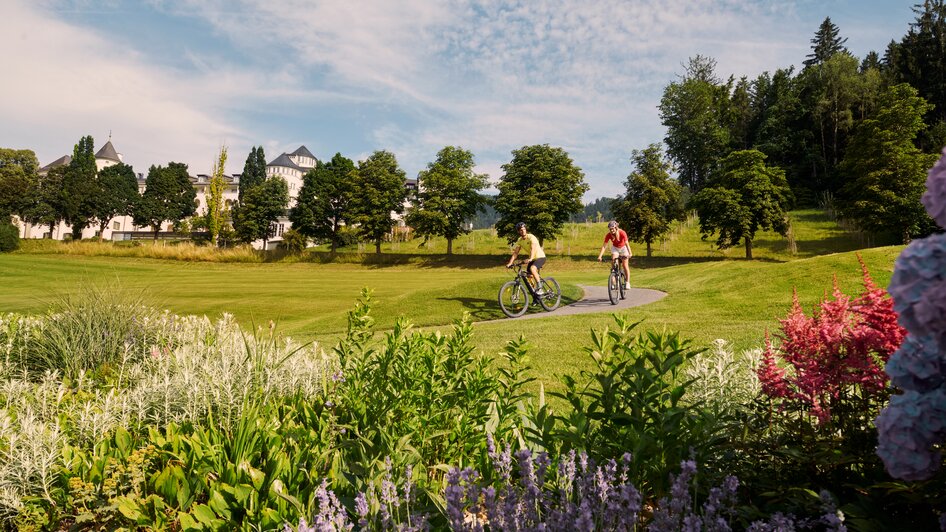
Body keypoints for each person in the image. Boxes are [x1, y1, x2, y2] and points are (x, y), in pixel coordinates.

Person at [506, 222, 547, 293]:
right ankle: (535, 294)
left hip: (540, 257)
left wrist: (530, 258)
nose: (523, 231)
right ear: (518, 231)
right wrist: (510, 263)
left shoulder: (531, 237)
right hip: (532, 259)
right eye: (521, 230)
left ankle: (540, 288)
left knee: (532, 268)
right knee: (529, 276)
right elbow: (516, 253)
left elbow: (533, 248)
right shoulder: (520, 240)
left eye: (524, 229)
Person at [597, 220, 632, 289]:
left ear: (616, 228)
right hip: (615, 248)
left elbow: (627, 244)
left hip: (623, 248)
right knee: (614, 263)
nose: (611, 230)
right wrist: (600, 256)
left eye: (613, 229)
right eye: (610, 229)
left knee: (625, 266)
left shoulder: (622, 233)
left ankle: (627, 282)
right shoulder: (608, 235)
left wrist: (630, 253)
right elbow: (604, 246)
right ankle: (614, 282)